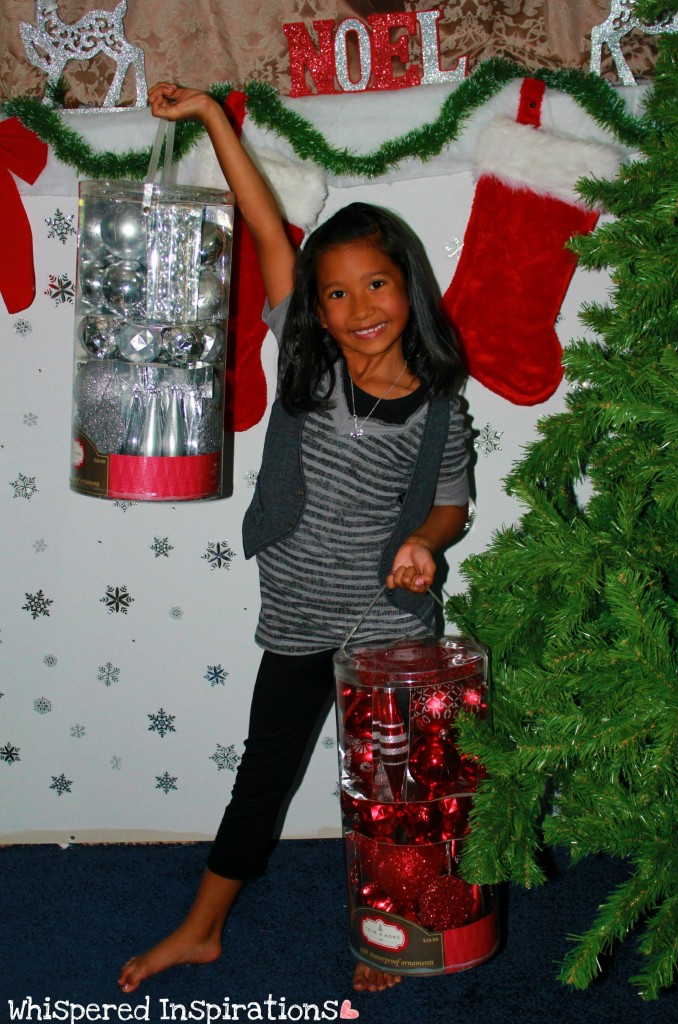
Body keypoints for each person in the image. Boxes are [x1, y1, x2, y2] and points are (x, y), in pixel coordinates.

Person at [119, 83, 471, 996]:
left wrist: (428, 543)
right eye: (337, 293)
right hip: (300, 616)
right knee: (263, 776)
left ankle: (388, 931)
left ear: (408, 286)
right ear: (314, 307)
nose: (359, 309)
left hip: (391, 624)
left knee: (397, 791)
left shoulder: (439, 405)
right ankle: (200, 931)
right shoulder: (306, 363)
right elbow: (266, 226)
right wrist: (209, 118)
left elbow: (450, 507)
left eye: (377, 285)